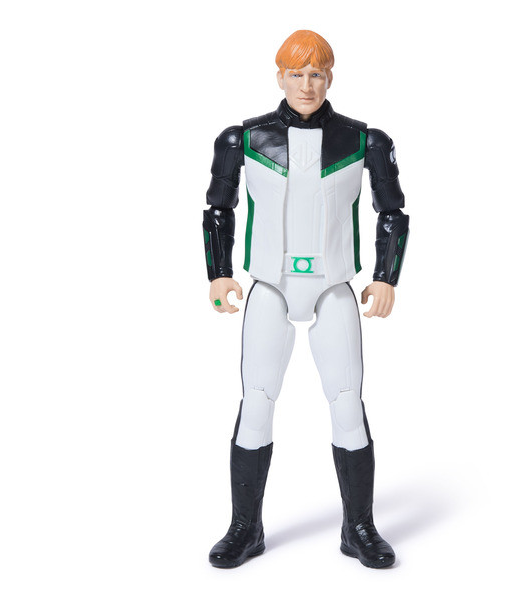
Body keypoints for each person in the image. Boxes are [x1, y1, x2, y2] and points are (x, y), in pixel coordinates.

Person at [202, 30, 409, 569]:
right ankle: (245, 527)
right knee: (256, 402)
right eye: (296, 74)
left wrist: (386, 276)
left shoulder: (363, 141)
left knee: (347, 402)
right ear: (280, 77)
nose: (306, 84)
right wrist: (218, 273)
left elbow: (392, 211)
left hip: (334, 286)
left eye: (316, 74)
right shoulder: (245, 139)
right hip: (269, 285)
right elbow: (218, 207)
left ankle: (358, 527)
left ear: (330, 77)